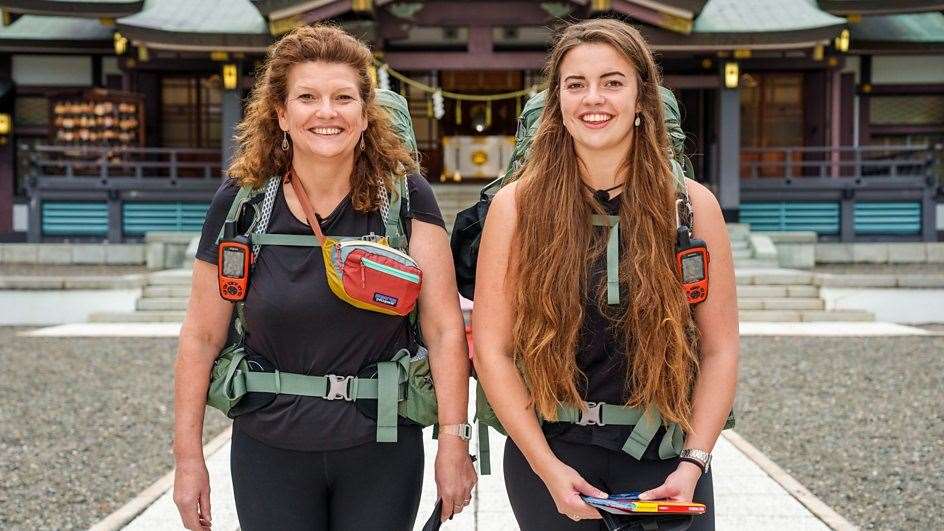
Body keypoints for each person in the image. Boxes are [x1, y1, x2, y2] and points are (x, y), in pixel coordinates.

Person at [172, 25, 476, 531]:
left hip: (381, 444)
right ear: (281, 113)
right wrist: (187, 460)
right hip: (269, 445)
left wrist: (453, 441)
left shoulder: (404, 199)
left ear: (364, 112)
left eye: (343, 98)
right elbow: (201, 336)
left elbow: (444, 330)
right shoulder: (241, 204)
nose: (327, 112)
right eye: (307, 97)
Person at [472, 19, 738, 531]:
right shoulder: (517, 207)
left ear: (641, 98)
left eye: (612, 82)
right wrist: (546, 468)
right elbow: (493, 350)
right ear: (558, 103)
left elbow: (720, 348)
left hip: (667, 454)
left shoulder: (691, 205)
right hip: (553, 453)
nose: (593, 98)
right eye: (576, 84)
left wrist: (694, 462)